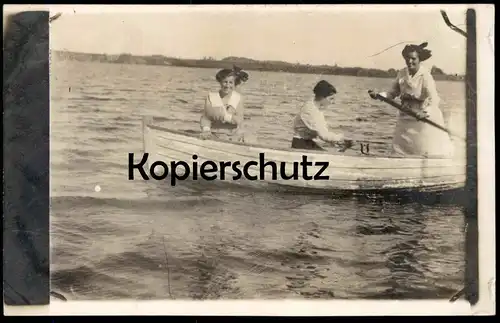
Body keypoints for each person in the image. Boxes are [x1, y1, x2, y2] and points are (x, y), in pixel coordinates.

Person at [369, 42, 454, 157]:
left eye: (413, 58)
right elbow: (392, 93)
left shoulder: (425, 76)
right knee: (399, 150)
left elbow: (434, 98)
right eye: (407, 58)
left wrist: (424, 113)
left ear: (419, 59)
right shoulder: (402, 73)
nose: (410, 61)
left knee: (425, 149)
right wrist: (378, 95)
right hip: (405, 116)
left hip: (422, 116)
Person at [291, 80, 352, 150]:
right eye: (331, 99)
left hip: (306, 142)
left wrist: (337, 141)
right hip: (300, 144)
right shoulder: (310, 110)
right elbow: (323, 135)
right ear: (322, 97)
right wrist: (341, 138)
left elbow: (323, 132)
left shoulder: (314, 106)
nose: (332, 102)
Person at [199, 66, 249, 141]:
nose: (227, 85)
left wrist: (225, 116)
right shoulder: (211, 97)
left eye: (231, 82)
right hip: (213, 135)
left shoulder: (238, 98)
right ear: (220, 82)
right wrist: (206, 130)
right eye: (225, 82)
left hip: (232, 137)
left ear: (235, 84)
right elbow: (205, 118)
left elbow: (239, 119)